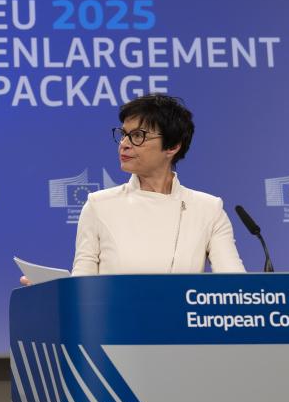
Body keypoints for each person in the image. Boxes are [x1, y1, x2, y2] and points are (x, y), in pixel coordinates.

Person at [20, 94, 244, 284]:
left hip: (181, 331)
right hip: (115, 332)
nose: (124, 144)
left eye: (138, 136)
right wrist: (50, 294)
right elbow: (83, 286)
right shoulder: (99, 205)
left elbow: (236, 287)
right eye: (124, 134)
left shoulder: (208, 209)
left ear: (173, 146)